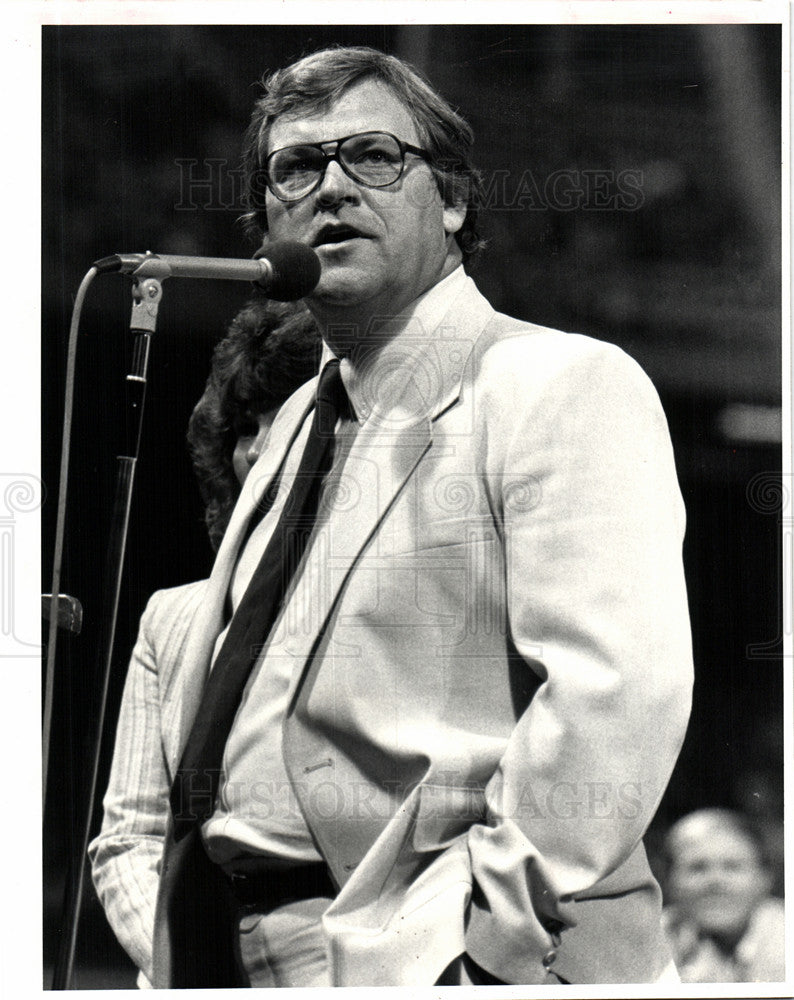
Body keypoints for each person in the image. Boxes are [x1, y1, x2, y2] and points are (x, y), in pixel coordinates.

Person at [121, 46, 694, 989]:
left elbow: (618, 693)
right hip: (240, 947)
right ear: (268, 212)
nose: (332, 187)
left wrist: (483, 945)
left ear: (455, 203)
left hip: (432, 950)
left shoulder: (559, 382)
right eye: (297, 167)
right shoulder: (303, 411)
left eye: (375, 157)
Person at [89, 298, 321, 988]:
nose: (256, 447)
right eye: (244, 427)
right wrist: (183, 959)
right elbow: (129, 837)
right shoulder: (173, 617)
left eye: (280, 421)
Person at [661, 808, 785, 983]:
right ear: (669, 880)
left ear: (765, 878)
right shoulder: (653, 938)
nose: (715, 881)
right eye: (698, 867)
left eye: (732, 866)